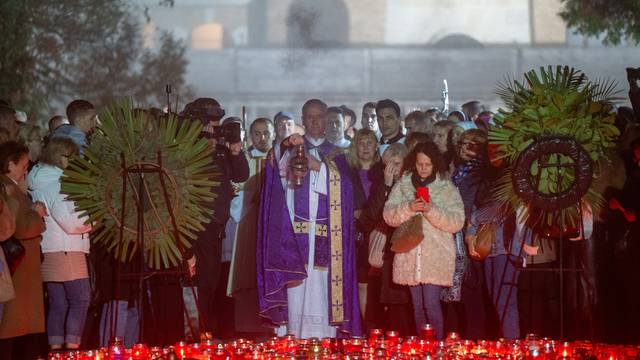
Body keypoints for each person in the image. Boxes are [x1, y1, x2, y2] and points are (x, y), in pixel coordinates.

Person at [257, 99, 361, 338]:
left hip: (327, 233)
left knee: (321, 284)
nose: (315, 121)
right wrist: (285, 146)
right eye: (309, 117)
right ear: (302, 121)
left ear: (327, 119)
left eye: (319, 117)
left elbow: (347, 192)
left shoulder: (340, 154)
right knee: (297, 285)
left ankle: (325, 337)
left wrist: (319, 168)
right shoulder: (290, 150)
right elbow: (275, 179)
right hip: (294, 232)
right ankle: (293, 335)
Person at [383, 141, 464, 340]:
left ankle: (436, 347)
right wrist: (409, 207)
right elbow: (388, 215)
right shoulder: (403, 184)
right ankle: (422, 347)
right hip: (409, 255)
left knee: (431, 304)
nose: (424, 168)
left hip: (435, 256)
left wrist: (430, 210)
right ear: (414, 163)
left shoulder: (446, 186)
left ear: (435, 163)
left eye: (428, 164)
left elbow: (457, 221)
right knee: (417, 306)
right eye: (420, 164)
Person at [186, 98, 250, 336]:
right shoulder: (185, 147)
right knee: (203, 281)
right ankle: (200, 329)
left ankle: (206, 329)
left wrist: (234, 150)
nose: (216, 127)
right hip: (196, 223)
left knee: (211, 281)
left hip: (216, 226)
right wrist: (204, 146)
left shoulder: (222, 150)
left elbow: (242, 175)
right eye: (212, 122)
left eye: (218, 122)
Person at [27, 137, 92, 350]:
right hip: (67, 248)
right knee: (81, 300)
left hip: (49, 248)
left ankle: (56, 351)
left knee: (58, 304)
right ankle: (72, 351)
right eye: (71, 157)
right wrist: (95, 221)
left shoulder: (37, 179)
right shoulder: (58, 183)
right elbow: (71, 223)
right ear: (61, 156)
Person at [227, 117, 274, 335]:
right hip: (247, 221)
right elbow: (235, 189)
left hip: (273, 223)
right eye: (257, 133)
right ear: (250, 135)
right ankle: (246, 328)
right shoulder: (241, 160)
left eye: (266, 133)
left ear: (273, 134)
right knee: (245, 275)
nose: (262, 137)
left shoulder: (280, 158)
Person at [0, 141, 47, 359]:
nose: (26, 169)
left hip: (24, 266)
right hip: (19, 266)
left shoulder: (13, 188)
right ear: (10, 164)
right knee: (13, 325)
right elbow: (21, 228)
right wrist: (36, 212)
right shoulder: (8, 189)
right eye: (24, 165)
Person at [345, 129, 380, 322]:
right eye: (361, 142)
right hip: (356, 233)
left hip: (378, 230)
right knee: (360, 282)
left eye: (369, 142)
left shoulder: (383, 171)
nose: (365, 147)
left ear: (376, 146)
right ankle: (361, 325)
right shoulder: (348, 172)